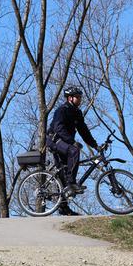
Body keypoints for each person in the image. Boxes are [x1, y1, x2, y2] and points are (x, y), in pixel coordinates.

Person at [47, 85, 99, 216]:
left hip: (64, 141)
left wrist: (95, 145)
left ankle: (64, 208)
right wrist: (72, 141)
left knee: (63, 174)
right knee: (74, 150)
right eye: (77, 97)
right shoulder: (62, 110)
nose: (80, 99)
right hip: (55, 140)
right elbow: (58, 128)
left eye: (80, 97)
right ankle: (71, 183)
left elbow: (83, 131)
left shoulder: (77, 112)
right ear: (70, 98)